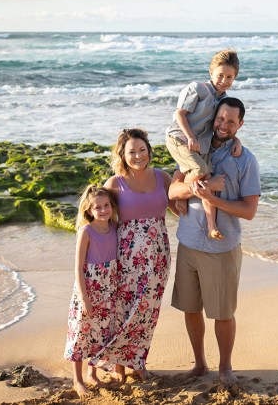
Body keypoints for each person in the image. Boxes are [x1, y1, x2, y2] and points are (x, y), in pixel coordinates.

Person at [169, 97, 260, 386]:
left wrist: (212, 201)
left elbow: (249, 211)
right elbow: (173, 189)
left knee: (222, 313)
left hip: (222, 248)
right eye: (221, 119)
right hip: (188, 242)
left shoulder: (245, 160)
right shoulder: (195, 147)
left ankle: (225, 367)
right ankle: (199, 364)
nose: (224, 125)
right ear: (214, 118)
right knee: (191, 308)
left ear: (240, 124)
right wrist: (202, 190)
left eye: (231, 121)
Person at [101, 128, 181, 382]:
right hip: (126, 258)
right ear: (122, 155)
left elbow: (178, 209)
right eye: (132, 152)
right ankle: (117, 367)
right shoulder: (115, 183)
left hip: (159, 256)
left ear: (149, 150)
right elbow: (100, 220)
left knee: (148, 311)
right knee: (124, 310)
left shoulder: (162, 177)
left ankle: (138, 361)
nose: (138, 156)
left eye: (142, 150)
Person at [165, 49, 242, 241]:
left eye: (229, 77)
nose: (224, 80)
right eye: (220, 75)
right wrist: (190, 136)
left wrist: (237, 140)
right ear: (211, 73)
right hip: (180, 139)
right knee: (201, 170)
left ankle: (211, 226)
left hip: (199, 146)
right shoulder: (196, 89)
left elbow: (227, 124)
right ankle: (181, 195)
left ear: (235, 77)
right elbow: (179, 114)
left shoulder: (223, 100)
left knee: (209, 177)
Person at [63, 185, 120, 395]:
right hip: (88, 290)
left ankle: (92, 373)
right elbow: (78, 267)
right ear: (89, 210)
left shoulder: (114, 227)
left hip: (108, 289)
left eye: (107, 205)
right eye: (98, 207)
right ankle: (77, 380)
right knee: (81, 333)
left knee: (101, 334)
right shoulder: (86, 231)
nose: (103, 210)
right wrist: (85, 298)